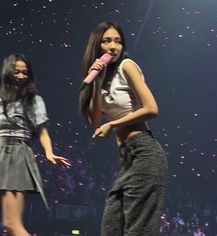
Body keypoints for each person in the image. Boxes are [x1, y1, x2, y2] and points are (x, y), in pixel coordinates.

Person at [79, 22, 168, 236]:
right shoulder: (101, 79)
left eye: (118, 41)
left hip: (145, 153)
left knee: (138, 230)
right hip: (127, 159)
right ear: (96, 45)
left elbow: (152, 108)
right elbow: (94, 119)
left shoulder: (126, 66)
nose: (113, 46)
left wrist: (113, 124)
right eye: (107, 41)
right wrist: (96, 81)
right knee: (111, 227)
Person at [0, 53, 70, 236]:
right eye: (17, 72)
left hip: (15, 155)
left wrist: (49, 152)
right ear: (8, 72)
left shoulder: (34, 100)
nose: (22, 76)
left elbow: (42, 131)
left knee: (11, 224)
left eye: (25, 73)